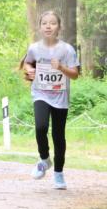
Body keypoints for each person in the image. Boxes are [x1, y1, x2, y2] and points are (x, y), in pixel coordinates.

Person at [20, 10, 80, 190]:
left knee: (58, 136)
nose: (48, 26)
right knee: (40, 127)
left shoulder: (67, 49)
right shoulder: (34, 48)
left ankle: (59, 174)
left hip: (60, 97)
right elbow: (27, 62)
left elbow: (75, 75)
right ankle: (44, 159)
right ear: (40, 27)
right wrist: (29, 70)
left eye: (52, 23)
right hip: (41, 93)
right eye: (44, 23)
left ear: (59, 27)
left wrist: (61, 66)